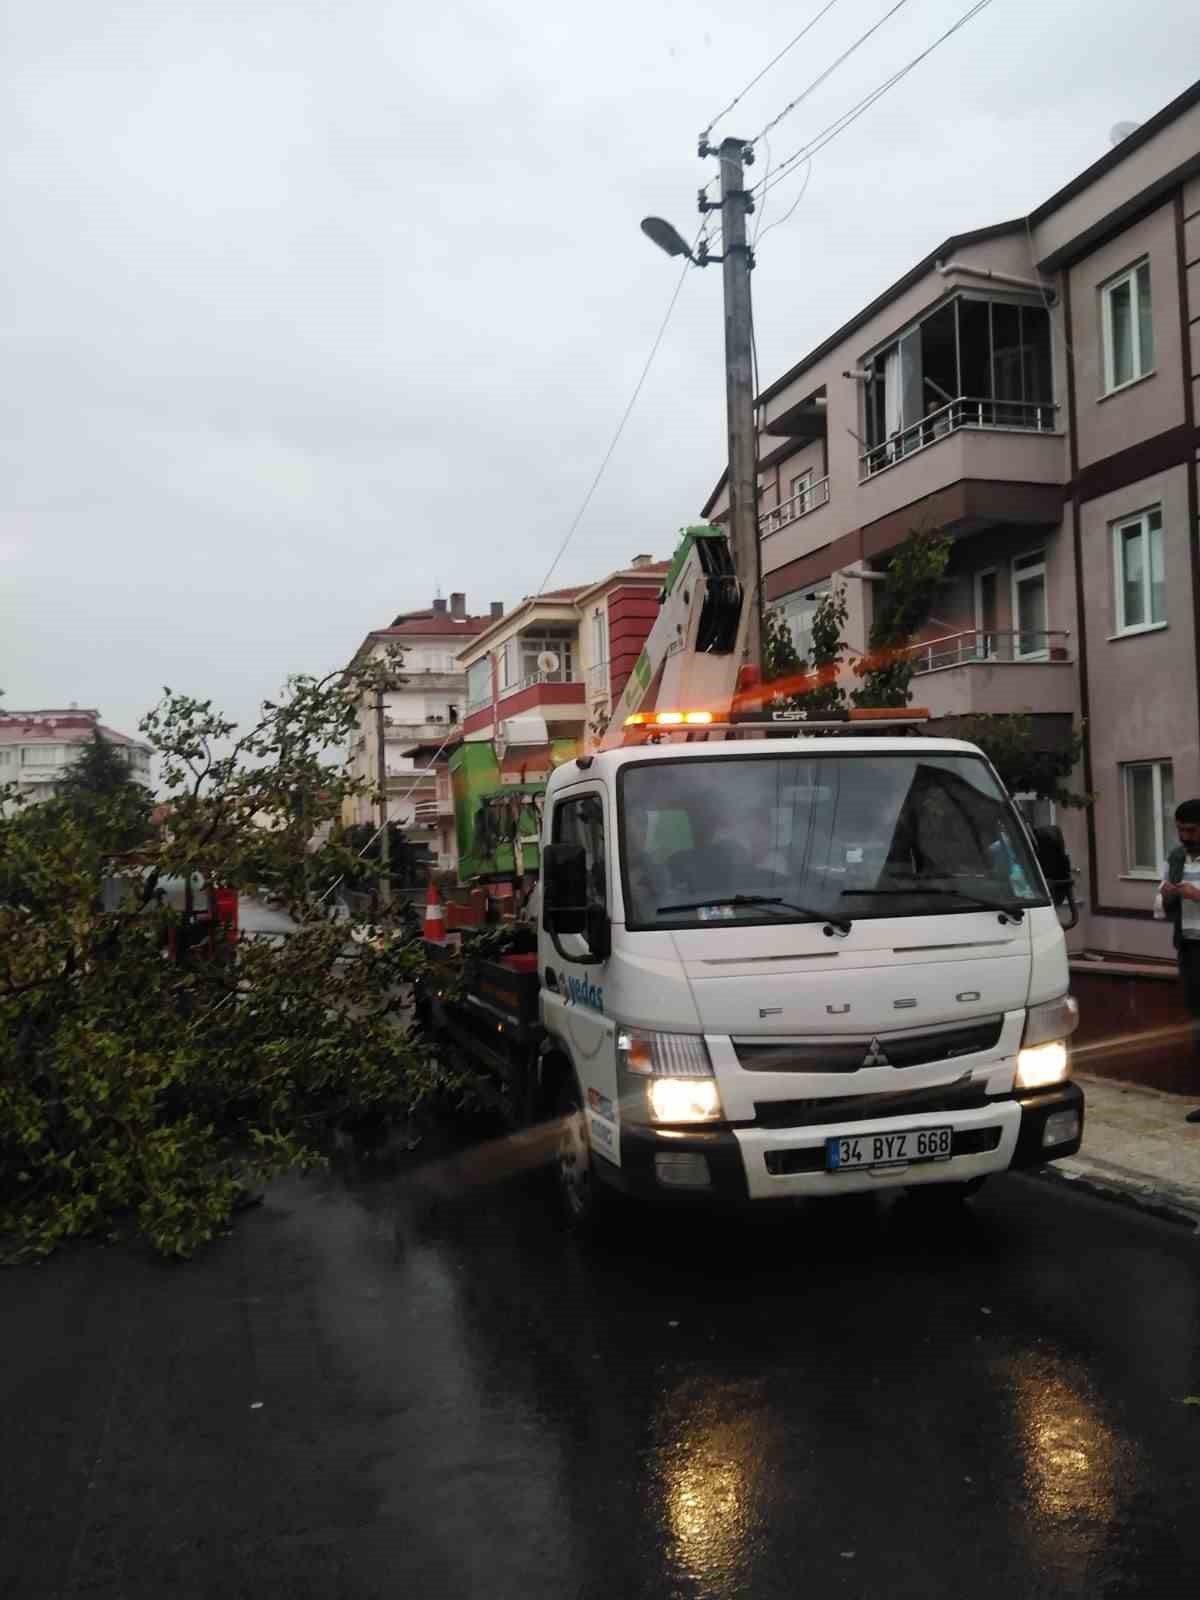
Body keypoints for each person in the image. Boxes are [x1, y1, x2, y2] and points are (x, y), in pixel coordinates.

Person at [1154, 797, 1200, 1123]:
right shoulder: (1175, 856)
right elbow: (1160, 907)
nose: (1185, 836)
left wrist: (1197, 895)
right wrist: (1167, 895)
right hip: (1190, 950)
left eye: (1192, 830)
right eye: (1181, 830)